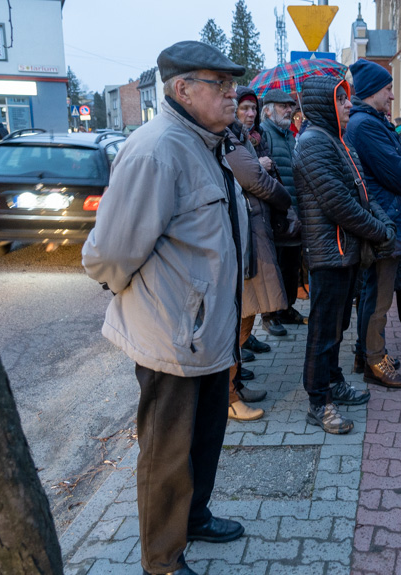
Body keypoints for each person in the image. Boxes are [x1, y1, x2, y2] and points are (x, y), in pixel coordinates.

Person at [82, 41, 247, 575]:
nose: (233, 93)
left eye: (232, 84)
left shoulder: (206, 143)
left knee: (204, 440)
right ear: (182, 89)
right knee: (167, 455)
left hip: (207, 331)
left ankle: (193, 518)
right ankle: (162, 561)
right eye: (219, 84)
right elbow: (109, 252)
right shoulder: (158, 148)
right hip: (172, 333)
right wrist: (131, 294)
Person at [293, 75, 395, 433]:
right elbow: (339, 205)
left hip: (345, 252)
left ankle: (333, 382)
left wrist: (383, 222)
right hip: (328, 255)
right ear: (324, 105)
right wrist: (380, 230)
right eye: (341, 100)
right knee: (323, 332)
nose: (349, 104)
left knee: (337, 328)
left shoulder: (338, 142)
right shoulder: (312, 143)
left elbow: (363, 193)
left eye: (348, 98)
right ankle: (318, 403)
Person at [345, 59, 401, 389]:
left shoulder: (370, 122)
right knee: (378, 297)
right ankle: (374, 360)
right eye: (388, 89)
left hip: (387, 219)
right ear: (371, 92)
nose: (393, 96)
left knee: (373, 293)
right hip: (385, 222)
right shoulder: (366, 126)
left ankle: (365, 352)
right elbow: (398, 170)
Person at [223, 87, 293, 421]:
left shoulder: (242, 138)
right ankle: (229, 395)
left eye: (253, 108)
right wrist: (282, 197)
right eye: (243, 107)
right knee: (240, 317)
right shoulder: (230, 140)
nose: (248, 113)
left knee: (247, 314)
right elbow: (254, 178)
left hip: (255, 232)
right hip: (245, 237)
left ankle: (234, 386)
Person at [260, 89, 307, 336]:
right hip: (274, 213)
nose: (289, 110)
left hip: (292, 211)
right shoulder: (263, 134)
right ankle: (270, 315)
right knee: (274, 267)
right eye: (282, 106)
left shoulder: (290, 136)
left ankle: (287, 308)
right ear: (267, 109)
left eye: (290, 106)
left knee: (291, 266)